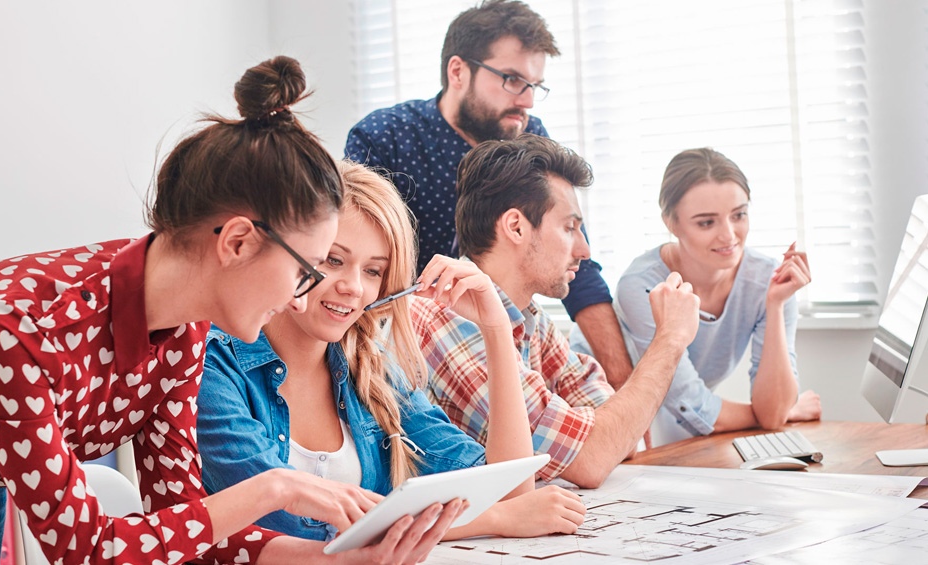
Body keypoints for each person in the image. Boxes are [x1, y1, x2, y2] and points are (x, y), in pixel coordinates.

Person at [0, 56, 462, 565]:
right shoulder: (16, 327)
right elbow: (88, 551)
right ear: (236, 242)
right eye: (308, 269)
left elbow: (183, 529)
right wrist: (274, 488)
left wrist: (336, 558)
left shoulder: (185, 331)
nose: (303, 294)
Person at [196, 160, 587, 542]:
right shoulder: (213, 365)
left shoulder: (370, 370)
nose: (353, 287)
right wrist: (492, 518)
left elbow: (508, 492)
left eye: (373, 271)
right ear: (297, 253)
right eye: (334, 260)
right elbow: (287, 526)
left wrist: (496, 327)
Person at [344, 0, 635, 392]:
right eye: (513, 80)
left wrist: (621, 381)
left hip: (500, 335)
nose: (527, 101)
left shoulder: (530, 140)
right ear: (458, 71)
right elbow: (357, 267)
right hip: (399, 357)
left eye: (534, 86)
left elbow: (576, 265)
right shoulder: (386, 137)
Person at [412, 134, 702, 489]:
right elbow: (592, 459)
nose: (583, 249)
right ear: (516, 227)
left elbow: (624, 440)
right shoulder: (446, 315)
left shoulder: (532, 320)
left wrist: (600, 435)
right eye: (570, 227)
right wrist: (670, 339)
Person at [602, 148, 822, 446]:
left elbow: (772, 415)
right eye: (707, 223)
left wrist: (775, 304)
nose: (729, 236)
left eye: (739, 215)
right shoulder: (643, 285)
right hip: (604, 410)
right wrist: (786, 411)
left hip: (678, 429)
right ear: (671, 223)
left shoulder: (769, 279)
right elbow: (687, 401)